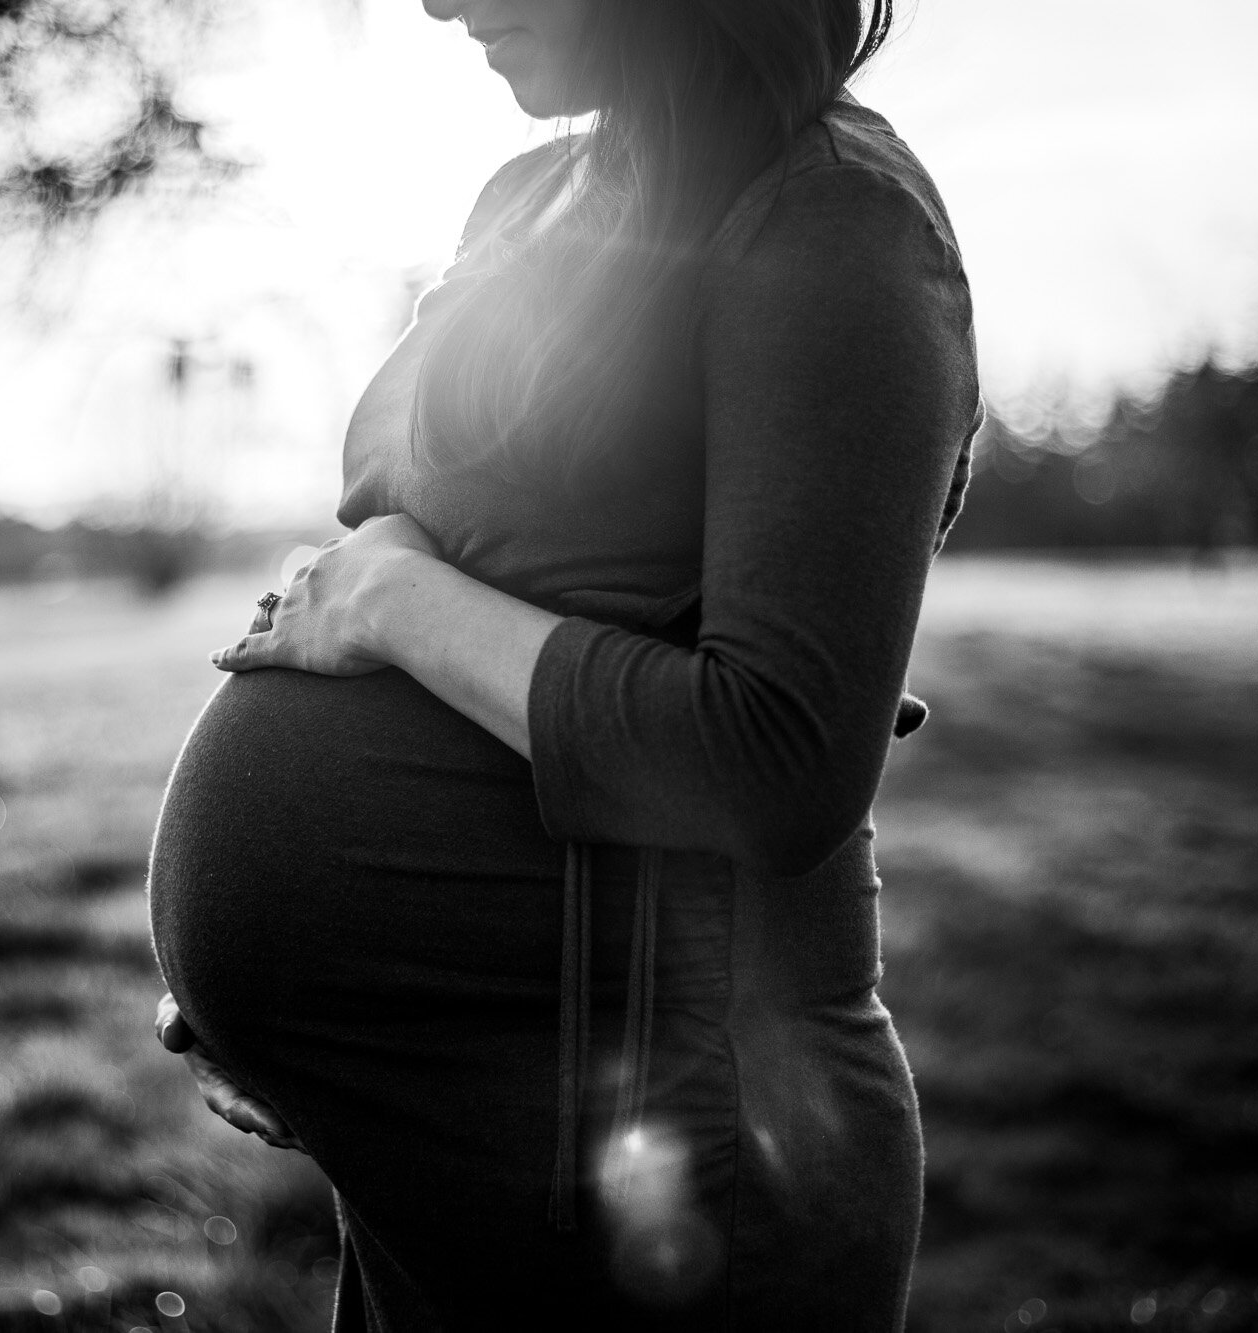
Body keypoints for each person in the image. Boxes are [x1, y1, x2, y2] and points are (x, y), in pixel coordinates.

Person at [148, 0, 980, 1326]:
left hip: (682, 1127)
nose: (436, 1)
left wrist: (397, 606)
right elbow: (401, 510)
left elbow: (773, 760)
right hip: (454, 1112)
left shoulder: (833, 221)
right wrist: (298, 1012)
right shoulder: (533, 196)